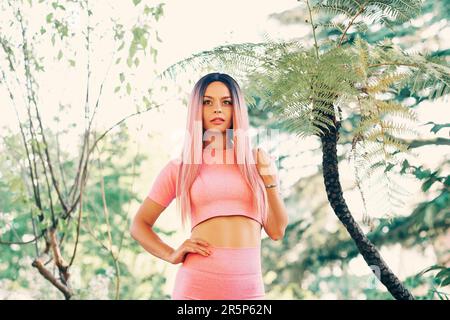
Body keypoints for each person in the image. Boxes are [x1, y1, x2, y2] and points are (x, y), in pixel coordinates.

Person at [130, 72, 289, 300]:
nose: (217, 109)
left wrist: (270, 179)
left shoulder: (257, 162)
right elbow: (139, 225)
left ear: (237, 110)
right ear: (197, 109)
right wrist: (172, 254)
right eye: (207, 102)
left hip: (249, 293)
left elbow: (277, 230)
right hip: (196, 291)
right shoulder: (182, 167)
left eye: (226, 102)